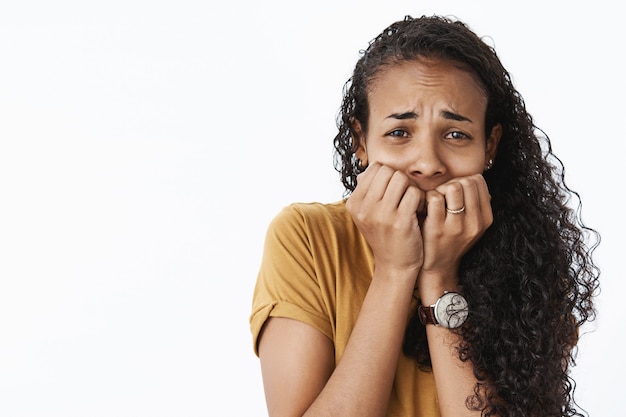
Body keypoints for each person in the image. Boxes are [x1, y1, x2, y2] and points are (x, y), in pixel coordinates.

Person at [249, 15, 600, 417]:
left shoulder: (529, 255)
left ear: (490, 145)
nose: (428, 163)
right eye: (400, 133)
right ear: (360, 142)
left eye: (455, 135)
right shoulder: (306, 238)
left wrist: (439, 276)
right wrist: (395, 270)